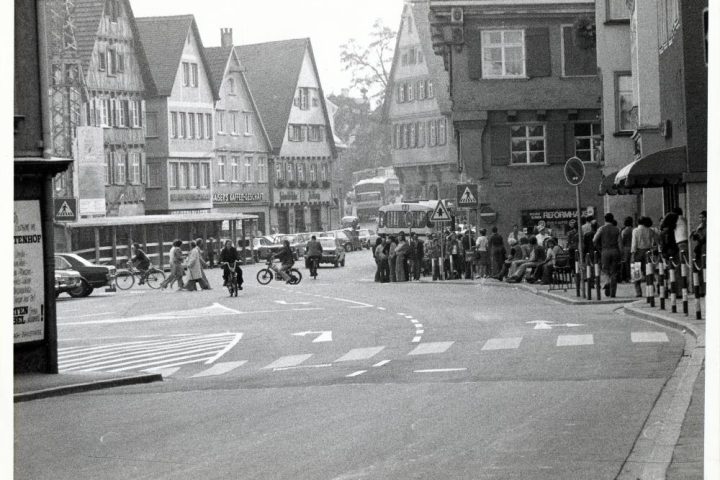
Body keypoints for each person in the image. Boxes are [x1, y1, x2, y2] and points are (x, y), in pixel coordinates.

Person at [593, 213, 622, 297]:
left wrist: (600, 248)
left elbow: (594, 240)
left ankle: (608, 282)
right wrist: (621, 253)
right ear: (612, 219)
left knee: (605, 270)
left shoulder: (601, 229)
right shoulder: (617, 229)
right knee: (614, 272)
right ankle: (613, 293)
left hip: (605, 251)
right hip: (615, 251)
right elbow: (620, 243)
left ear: (605, 219)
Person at [631, 216, 657, 297]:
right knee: (648, 271)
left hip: (638, 251)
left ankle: (638, 292)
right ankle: (651, 287)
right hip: (648, 251)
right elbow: (656, 240)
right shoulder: (650, 230)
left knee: (636, 272)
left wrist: (632, 253)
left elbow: (634, 243)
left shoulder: (635, 230)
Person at [620, 217, 634, 283]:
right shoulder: (634, 230)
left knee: (627, 264)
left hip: (626, 248)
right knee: (633, 263)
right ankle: (633, 276)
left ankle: (628, 277)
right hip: (633, 247)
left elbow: (622, 241)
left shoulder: (624, 231)